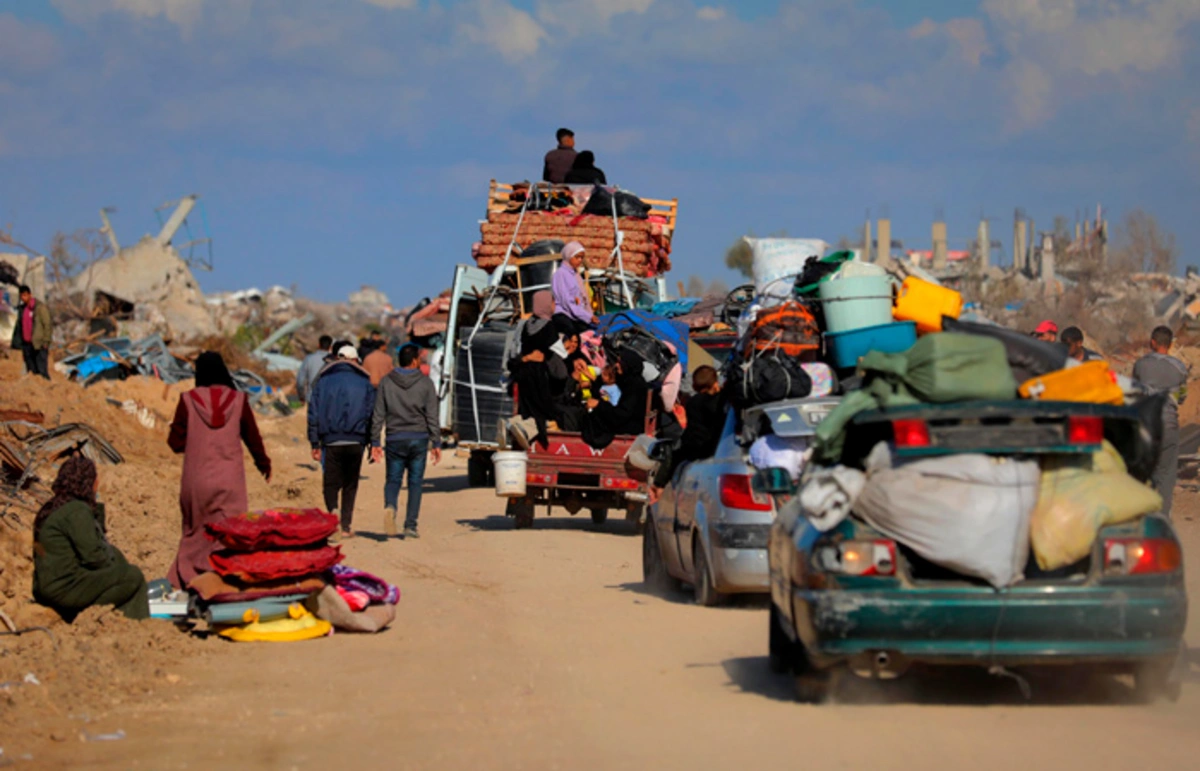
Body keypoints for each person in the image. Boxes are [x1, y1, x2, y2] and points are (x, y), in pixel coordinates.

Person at [167, 352, 271, 589]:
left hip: (197, 480)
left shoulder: (187, 400)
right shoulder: (239, 400)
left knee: (195, 532)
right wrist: (263, 464)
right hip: (230, 481)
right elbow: (252, 437)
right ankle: (224, 580)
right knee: (230, 534)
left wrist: (197, 441)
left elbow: (175, 442)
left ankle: (189, 578)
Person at [32, 456, 149, 621]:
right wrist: (118, 567)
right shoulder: (76, 511)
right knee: (132, 576)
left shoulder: (54, 507)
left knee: (118, 565)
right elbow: (94, 556)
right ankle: (105, 619)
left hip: (47, 587)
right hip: (64, 588)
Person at [372, 344, 442, 539]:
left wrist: (375, 441)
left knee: (393, 480)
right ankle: (410, 525)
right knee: (415, 483)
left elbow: (378, 414)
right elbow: (432, 416)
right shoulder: (426, 383)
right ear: (414, 361)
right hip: (419, 438)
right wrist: (436, 443)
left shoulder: (386, 382)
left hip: (395, 438)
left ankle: (390, 506)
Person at [309, 344, 379, 538]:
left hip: (331, 441)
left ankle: (333, 513)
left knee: (330, 483)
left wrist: (314, 443)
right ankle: (346, 526)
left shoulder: (323, 380)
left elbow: (313, 413)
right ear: (355, 360)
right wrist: (374, 442)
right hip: (356, 441)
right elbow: (372, 413)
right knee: (350, 484)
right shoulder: (364, 381)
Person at [1133, 326, 1190, 518]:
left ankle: (1142, 514)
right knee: (1167, 474)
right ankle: (1163, 517)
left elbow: (1135, 391)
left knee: (1145, 470)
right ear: (1170, 344)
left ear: (1153, 342)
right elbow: (1182, 396)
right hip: (1169, 426)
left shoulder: (1141, 365)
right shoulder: (1180, 368)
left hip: (1146, 425)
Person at [552, 241, 597, 335]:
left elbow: (582, 297)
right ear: (569, 256)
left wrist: (588, 314)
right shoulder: (561, 274)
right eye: (577, 257)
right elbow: (566, 302)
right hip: (564, 313)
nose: (580, 260)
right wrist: (587, 316)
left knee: (590, 334)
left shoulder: (575, 274)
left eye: (581, 257)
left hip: (575, 314)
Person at [10, 285, 52, 380]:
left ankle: (47, 390)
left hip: (39, 344)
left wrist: (46, 341)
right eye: (21, 296)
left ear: (30, 295)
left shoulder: (40, 308)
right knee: (32, 371)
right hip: (27, 345)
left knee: (41, 371)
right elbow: (19, 326)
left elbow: (47, 325)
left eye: (25, 295)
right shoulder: (22, 309)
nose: (23, 298)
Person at [296, 335, 333, 403]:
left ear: (318, 345)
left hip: (311, 398)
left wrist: (301, 396)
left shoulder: (309, 359)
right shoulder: (334, 361)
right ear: (330, 347)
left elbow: (300, 381)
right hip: (328, 401)